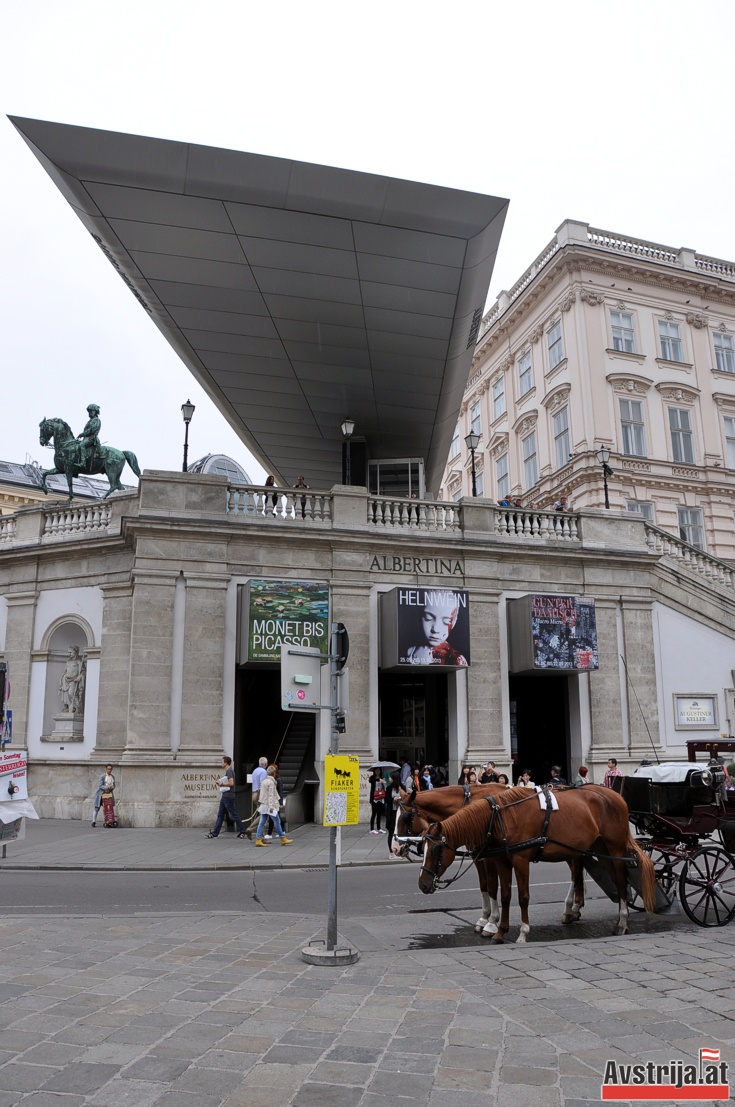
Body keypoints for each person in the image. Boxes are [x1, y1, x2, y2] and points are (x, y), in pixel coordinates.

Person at [406, 592, 468, 667]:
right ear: (419, 615)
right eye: (428, 618)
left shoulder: (456, 660)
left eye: (446, 622)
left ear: (454, 622)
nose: (436, 629)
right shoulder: (409, 651)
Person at [205, 756, 249, 839]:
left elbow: (231, 783)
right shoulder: (229, 771)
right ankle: (215, 833)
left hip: (228, 796)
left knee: (233, 814)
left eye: (222, 762)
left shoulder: (229, 771)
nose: (221, 763)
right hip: (226, 796)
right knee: (221, 814)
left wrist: (221, 784)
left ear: (225, 763)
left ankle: (243, 831)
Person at [253, 765, 293, 846]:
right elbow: (271, 795)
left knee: (262, 822)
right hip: (269, 805)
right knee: (277, 821)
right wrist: (271, 806)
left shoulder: (264, 781)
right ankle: (282, 838)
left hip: (264, 804)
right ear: (274, 774)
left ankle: (258, 839)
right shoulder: (271, 783)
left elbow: (262, 793)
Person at [59, 645, 86, 714]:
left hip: (74, 681)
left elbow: (83, 671)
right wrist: (63, 676)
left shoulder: (79, 661)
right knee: (66, 694)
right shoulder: (68, 662)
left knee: (71, 693)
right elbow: (65, 671)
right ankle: (68, 707)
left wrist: (80, 677)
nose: (69, 654)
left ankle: (77, 707)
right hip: (66, 680)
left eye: (71, 652)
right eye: (69, 652)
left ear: (75, 652)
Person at [77, 403, 101, 471]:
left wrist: (82, 434)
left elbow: (92, 430)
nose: (90, 413)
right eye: (89, 412)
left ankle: (83, 463)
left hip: (92, 438)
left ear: (95, 412)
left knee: (81, 445)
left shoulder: (96, 420)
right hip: (87, 438)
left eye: (91, 411)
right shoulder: (90, 421)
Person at [385, 770, 402, 853]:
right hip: (391, 812)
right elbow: (387, 800)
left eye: (390, 777)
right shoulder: (389, 788)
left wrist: (400, 799)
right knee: (391, 832)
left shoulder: (401, 788)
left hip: (400, 812)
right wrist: (393, 799)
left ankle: (401, 850)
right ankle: (391, 851)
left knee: (401, 832)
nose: (389, 778)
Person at [369, 768, 386, 834]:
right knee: (374, 813)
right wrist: (378, 779)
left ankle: (379, 827)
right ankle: (372, 828)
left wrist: (384, 782)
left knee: (379, 813)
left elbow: (385, 786)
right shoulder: (372, 777)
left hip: (381, 797)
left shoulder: (382, 777)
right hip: (374, 797)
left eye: (379, 770)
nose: (377, 772)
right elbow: (371, 781)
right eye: (376, 770)